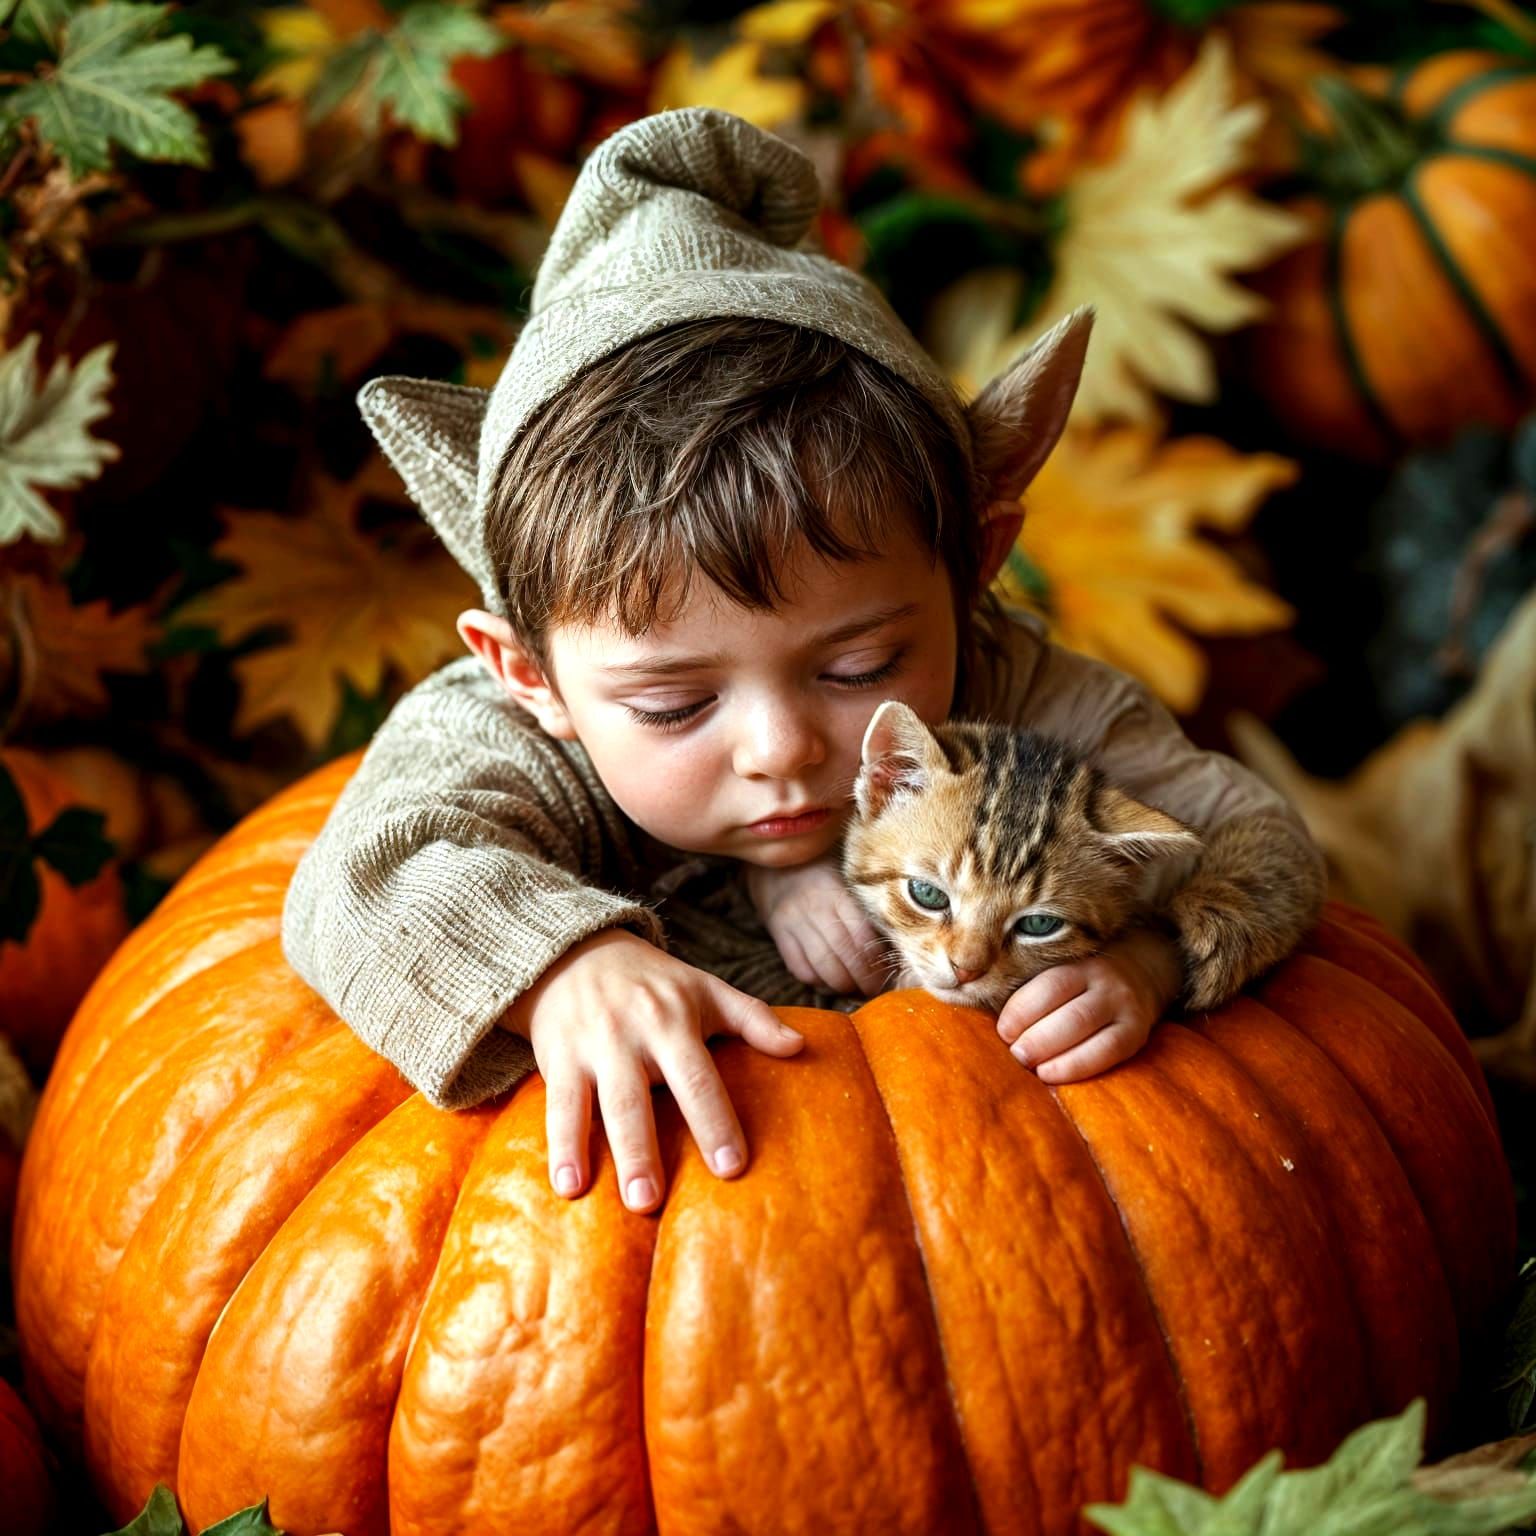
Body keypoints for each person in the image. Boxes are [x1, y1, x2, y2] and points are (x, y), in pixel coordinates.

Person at [281, 107, 1323, 1216]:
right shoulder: (499, 734)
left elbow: (1257, 839)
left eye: (859, 666)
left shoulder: (1014, 692)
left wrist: (1148, 962)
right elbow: (355, 882)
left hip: (997, 1220)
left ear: (971, 571)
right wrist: (557, 970)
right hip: (643, 1258)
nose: (783, 750)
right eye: (678, 704)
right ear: (531, 676)